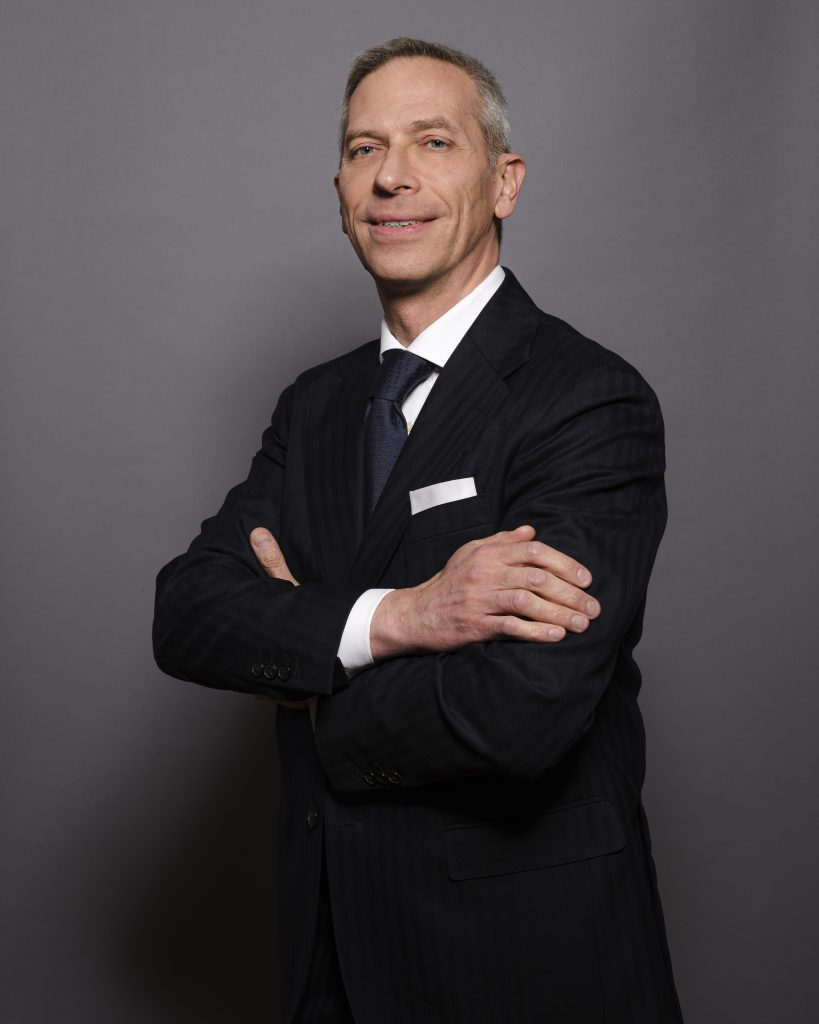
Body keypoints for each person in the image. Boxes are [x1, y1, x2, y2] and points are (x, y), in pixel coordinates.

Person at [153, 36, 683, 1024]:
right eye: (364, 149)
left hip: (524, 968)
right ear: (340, 190)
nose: (391, 176)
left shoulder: (586, 399)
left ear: (504, 181)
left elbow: (521, 706)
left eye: (433, 142)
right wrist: (400, 617)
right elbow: (187, 613)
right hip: (329, 963)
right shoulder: (314, 406)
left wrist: (313, 698)